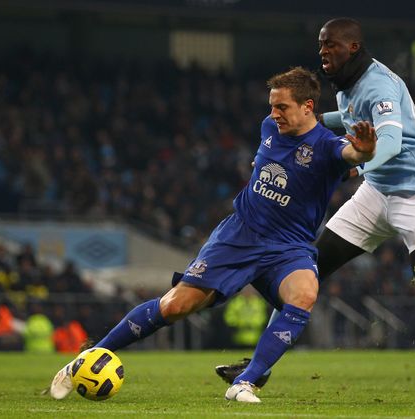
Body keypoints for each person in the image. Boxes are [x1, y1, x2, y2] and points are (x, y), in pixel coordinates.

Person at [216, 17, 415, 393]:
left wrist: (356, 165)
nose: (323, 51)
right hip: (379, 190)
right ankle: (260, 366)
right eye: (321, 44)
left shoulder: (377, 85)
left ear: (353, 48)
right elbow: (340, 119)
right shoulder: (349, 84)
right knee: (305, 268)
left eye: (331, 45)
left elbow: (391, 144)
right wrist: (297, 121)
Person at [49, 66, 376, 403]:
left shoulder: (326, 147)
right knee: (175, 306)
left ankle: (245, 383)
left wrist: (364, 150)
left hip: (288, 247)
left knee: (305, 293)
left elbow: (350, 154)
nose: (273, 114)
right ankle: (82, 362)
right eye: (272, 106)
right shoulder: (269, 128)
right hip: (240, 236)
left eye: (282, 107)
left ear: (307, 106)